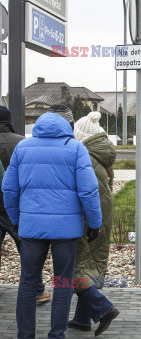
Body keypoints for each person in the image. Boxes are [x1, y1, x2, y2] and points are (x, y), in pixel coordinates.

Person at [2, 112, 103, 338]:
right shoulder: (76, 148)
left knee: (28, 282)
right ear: (66, 127)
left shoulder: (23, 148)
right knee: (63, 282)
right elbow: (89, 190)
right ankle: (57, 334)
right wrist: (95, 222)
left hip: (31, 227)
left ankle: (25, 335)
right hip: (66, 230)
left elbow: (8, 189)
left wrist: (18, 219)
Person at [68, 111, 120, 336]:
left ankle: (103, 308)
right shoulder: (102, 152)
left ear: (80, 135)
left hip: (89, 217)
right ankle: (81, 320)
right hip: (101, 213)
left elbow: (87, 192)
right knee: (91, 264)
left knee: (76, 267)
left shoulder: (85, 156)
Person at [0, 105, 52, 305]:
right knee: (29, 252)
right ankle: (38, 291)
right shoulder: (23, 144)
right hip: (16, 208)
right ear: (9, 121)